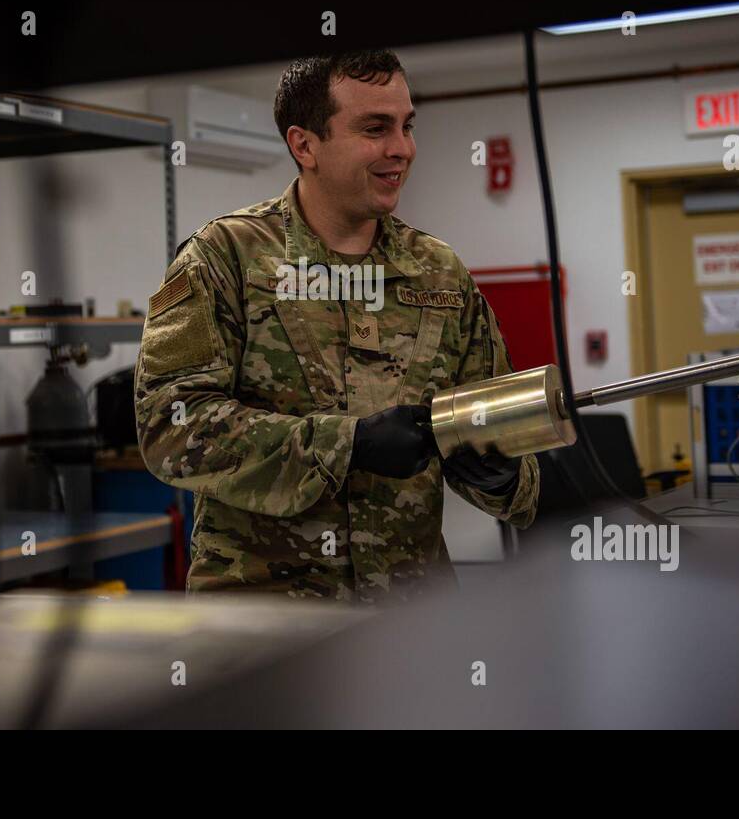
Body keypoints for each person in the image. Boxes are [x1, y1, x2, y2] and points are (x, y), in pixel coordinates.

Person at [134, 49, 540, 602]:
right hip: (269, 624)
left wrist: (504, 475)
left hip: (411, 622)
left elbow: (501, 436)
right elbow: (170, 427)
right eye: (375, 128)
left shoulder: (440, 273)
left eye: (406, 126)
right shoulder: (226, 257)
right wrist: (345, 445)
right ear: (305, 145)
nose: (401, 148)